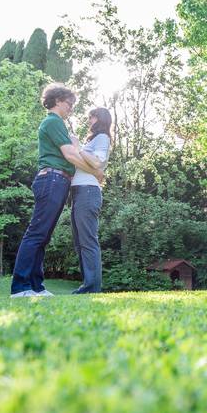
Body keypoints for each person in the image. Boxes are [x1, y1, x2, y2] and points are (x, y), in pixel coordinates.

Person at [10, 84, 102, 298]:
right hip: (52, 179)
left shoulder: (56, 123)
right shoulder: (53, 121)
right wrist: (96, 171)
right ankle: (21, 287)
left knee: (43, 236)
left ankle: (36, 286)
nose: (72, 108)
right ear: (58, 100)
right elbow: (70, 155)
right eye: (70, 103)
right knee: (36, 234)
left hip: (58, 180)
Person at [70, 108, 111, 294]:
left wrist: (77, 148)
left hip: (88, 191)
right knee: (80, 243)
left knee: (88, 241)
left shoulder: (102, 137)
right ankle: (88, 285)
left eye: (92, 117)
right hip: (79, 192)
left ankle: (92, 287)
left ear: (100, 119)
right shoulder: (93, 140)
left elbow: (97, 162)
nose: (89, 120)